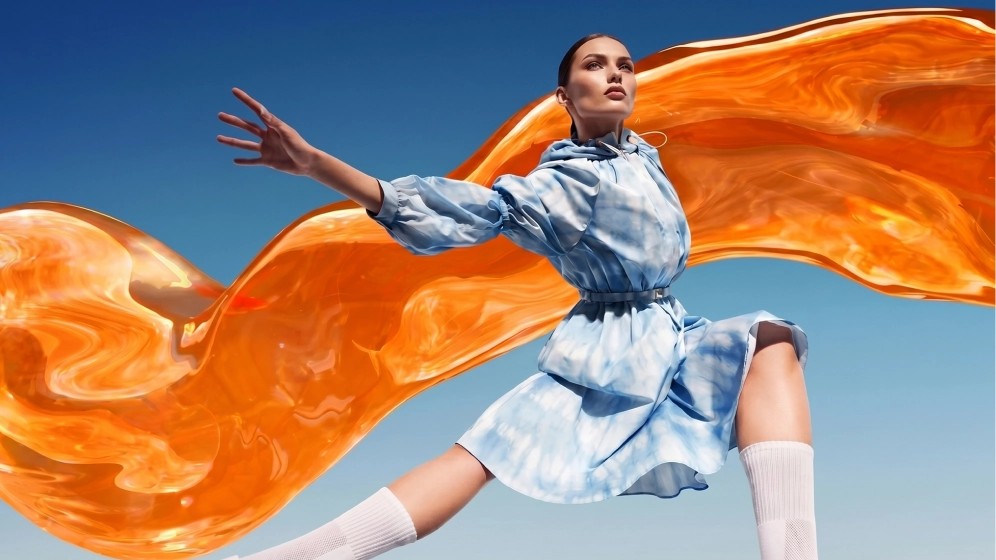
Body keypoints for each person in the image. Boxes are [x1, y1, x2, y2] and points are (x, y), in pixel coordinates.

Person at [216, 33, 818, 560]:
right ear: (564, 96)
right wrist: (319, 165)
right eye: (594, 65)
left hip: (671, 332)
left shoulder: (641, 156)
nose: (614, 73)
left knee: (770, 343)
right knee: (472, 461)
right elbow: (470, 208)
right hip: (609, 355)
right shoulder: (568, 182)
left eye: (625, 65)